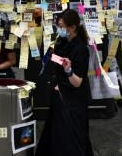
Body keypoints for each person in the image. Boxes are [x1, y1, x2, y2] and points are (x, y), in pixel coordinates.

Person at [36, 9, 93, 156]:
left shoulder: (81, 49)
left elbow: (77, 82)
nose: (59, 29)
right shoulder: (62, 42)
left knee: (71, 140)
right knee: (55, 137)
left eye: (62, 26)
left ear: (72, 27)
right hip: (59, 98)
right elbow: (57, 61)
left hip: (73, 102)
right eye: (58, 26)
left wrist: (68, 70)